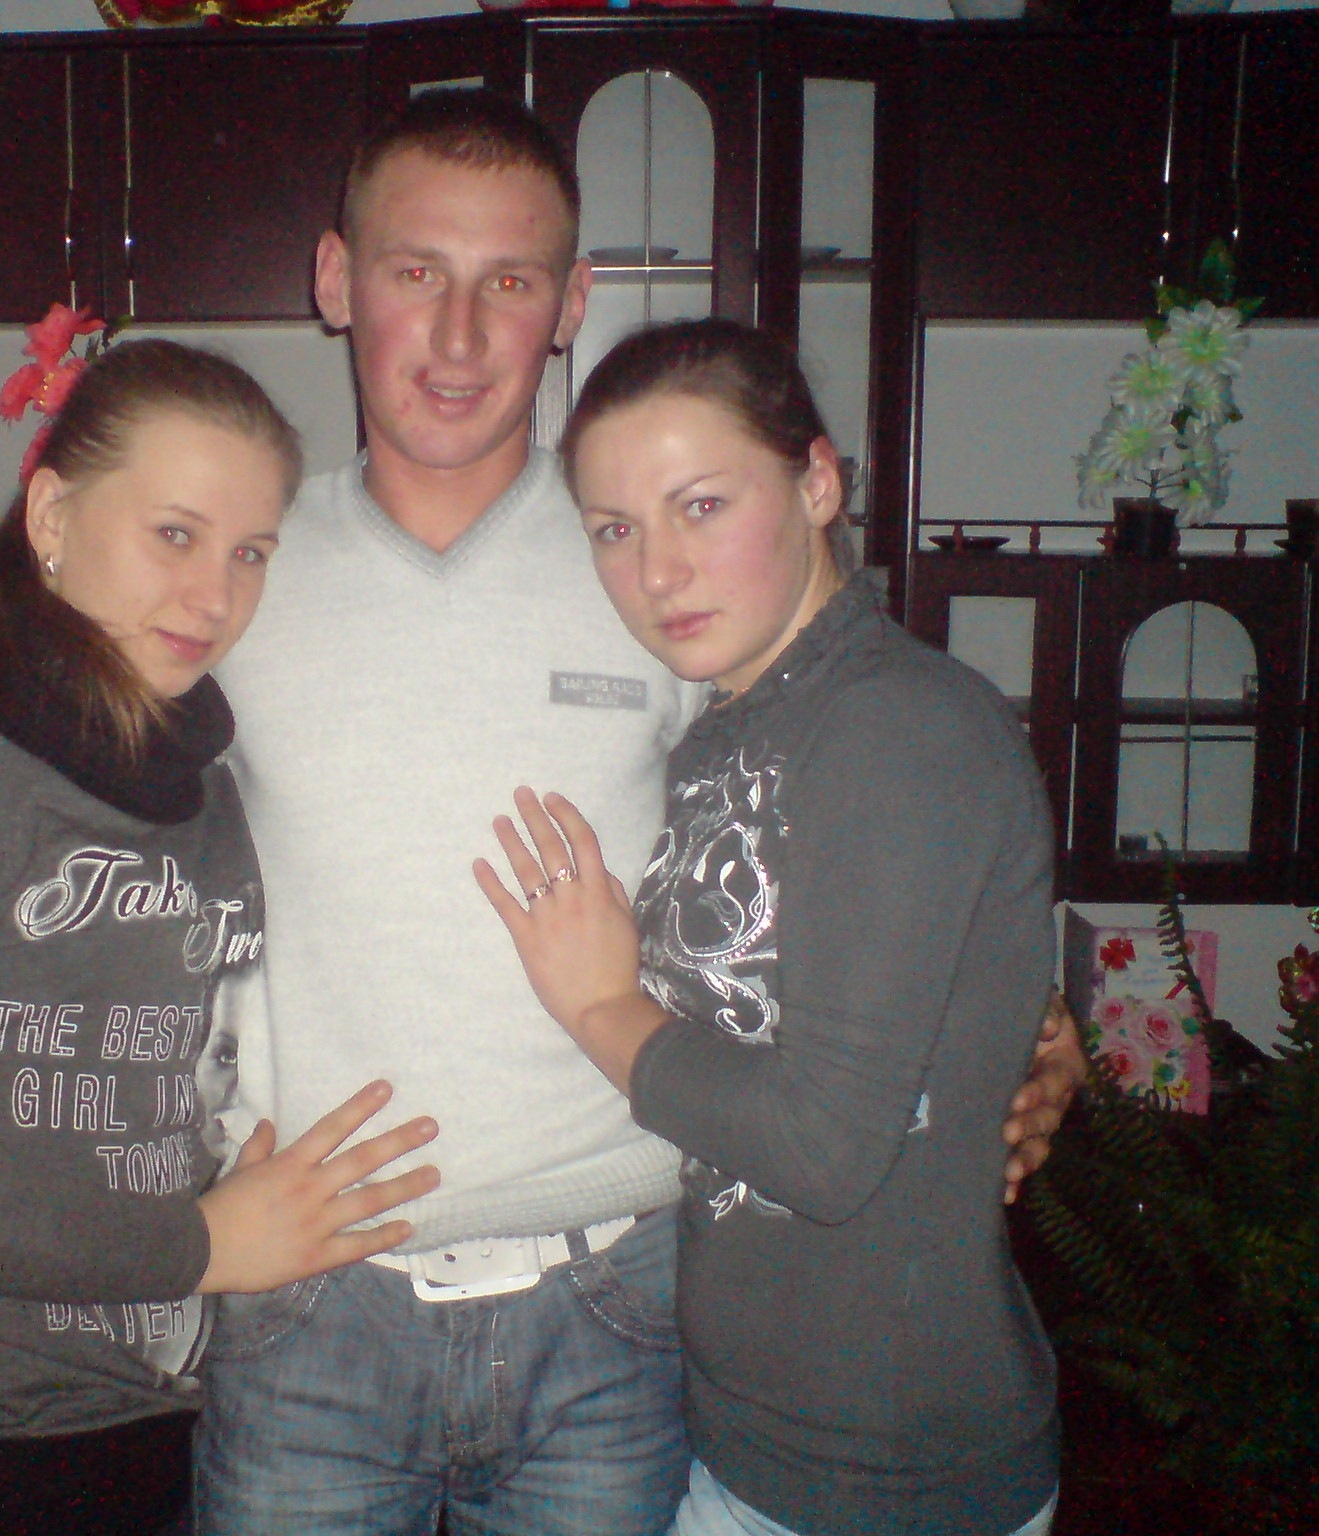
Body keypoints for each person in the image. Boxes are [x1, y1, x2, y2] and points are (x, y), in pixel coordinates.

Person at [196, 89, 1083, 1535]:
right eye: (416, 270)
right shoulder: (236, 569)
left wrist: (1028, 1038)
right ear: (335, 279)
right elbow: (71, 812)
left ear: (571, 304)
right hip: (312, 1307)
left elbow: (865, 836)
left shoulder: (660, 562)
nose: (460, 333)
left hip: (619, 1307)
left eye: (511, 281)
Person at [0, 339, 441, 1536]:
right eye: (173, 534)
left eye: (249, 553)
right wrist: (201, 1244)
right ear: (50, 516)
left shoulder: (207, 790)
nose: (213, 598)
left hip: (179, 1426)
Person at [475, 317, 1060, 1536]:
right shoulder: (728, 729)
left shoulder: (896, 728)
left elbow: (819, 1150)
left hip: (887, 1474)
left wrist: (599, 1005)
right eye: (613, 530)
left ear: (816, 483)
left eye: (700, 506)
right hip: (750, 1438)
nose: (656, 572)